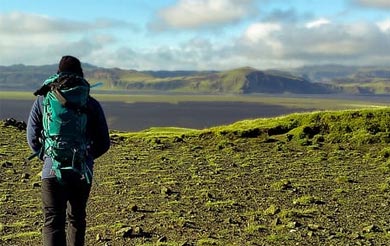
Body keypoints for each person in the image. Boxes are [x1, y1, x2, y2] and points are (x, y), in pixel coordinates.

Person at [27, 55, 110, 246]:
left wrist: (48, 155)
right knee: (76, 219)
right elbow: (104, 142)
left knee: (52, 222)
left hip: (51, 170)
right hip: (81, 171)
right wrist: (86, 156)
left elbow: (32, 136)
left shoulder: (43, 100)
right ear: (80, 74)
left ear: (58, 73)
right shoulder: (91, 103)